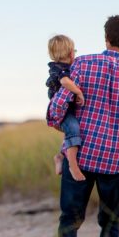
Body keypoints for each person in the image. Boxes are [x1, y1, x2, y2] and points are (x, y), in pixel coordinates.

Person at [48, 15, 119, 237]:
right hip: (112, 159)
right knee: (111, 222)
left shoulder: (82, 63)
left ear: (106, 38)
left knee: (69, 219)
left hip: (80, 155)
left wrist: (58, 120)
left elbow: (57, 107)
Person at [46, 35, 86, 181]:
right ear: (71, 53)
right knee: (73, 128)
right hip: (61, 111)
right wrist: (78, 91)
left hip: (67, 109)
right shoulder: (59, 69)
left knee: (71, 132)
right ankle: (73, 166)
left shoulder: (67, 67)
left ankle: (60, 157)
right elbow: (65, 82)